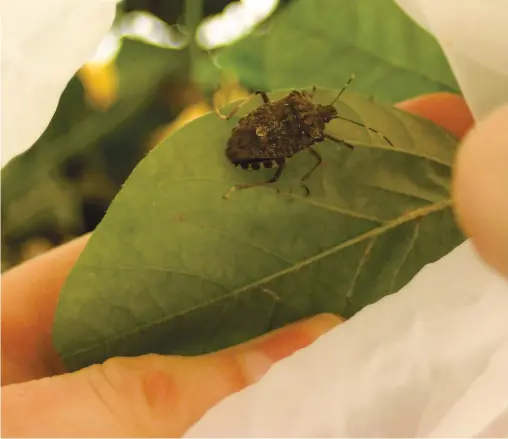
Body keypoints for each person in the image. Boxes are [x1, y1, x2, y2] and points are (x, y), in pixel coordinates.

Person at [2, 92, 506, 437]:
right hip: (258, 141)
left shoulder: (299, 117)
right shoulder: (308, 134)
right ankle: (249, 176)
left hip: (255, 134)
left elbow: (283, 120)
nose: (324, 119)